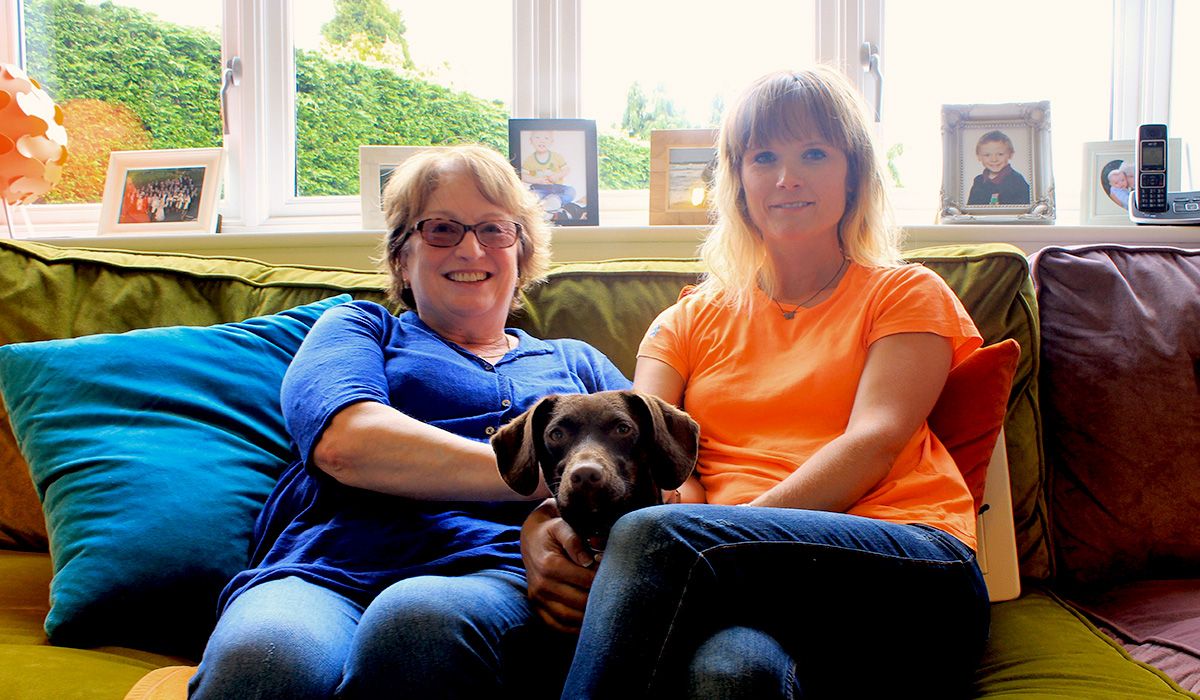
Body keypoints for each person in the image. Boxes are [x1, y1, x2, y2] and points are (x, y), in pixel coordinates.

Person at [522, 66, 991, 698]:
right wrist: (549, 529)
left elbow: (874, 441)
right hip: (741, 580)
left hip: (907, 562)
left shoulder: (905, 293)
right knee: (732, 674)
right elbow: (650, 452)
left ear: (853, 173)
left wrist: (722, 534)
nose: (786, 177)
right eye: (763, 156)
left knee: (654, 538)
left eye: (814, 154)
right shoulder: (686, 320)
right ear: (738, 181)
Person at [188, 144, 630, 700]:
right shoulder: (358, 327)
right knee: (263, 662)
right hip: (329, 568)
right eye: (442, 228)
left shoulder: (576, 361)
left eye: (495, 229)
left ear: (522, 252)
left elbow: (665, 476)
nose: (472, 247)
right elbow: (346, 442)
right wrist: (546, 483)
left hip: (497, 574)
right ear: (401, 256)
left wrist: (561, 533)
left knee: (419, 624)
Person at [520, 131, 579, 221]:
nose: (542, 141)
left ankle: (554, 201)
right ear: (531, 141)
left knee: (571, 191)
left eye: (546, 138)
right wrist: (537, 180)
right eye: (537, 137)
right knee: (530, 196)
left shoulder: (556, 157)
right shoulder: (529, 160)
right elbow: (523, 176)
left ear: (551, 142)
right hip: (539, 188)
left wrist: (557, 175)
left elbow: (566, 169)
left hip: (557, 188)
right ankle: (547, 209)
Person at [967, 129, 1030, 205]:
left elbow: (1025, 208)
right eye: (987, 155)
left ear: (1010, 154)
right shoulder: (978, 181)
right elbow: (971, 209)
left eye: (1000, 154)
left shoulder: (1017, 181)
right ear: (979, 157)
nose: (994, 159)